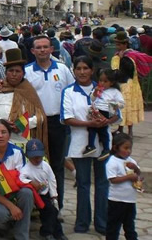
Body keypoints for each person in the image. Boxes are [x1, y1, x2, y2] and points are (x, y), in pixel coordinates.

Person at [61, 56, 119, 235]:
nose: (82, 72)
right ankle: (82, 222)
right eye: (78, 68)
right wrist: (90, 124)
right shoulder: (69, 91)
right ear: (74, 70)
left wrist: (106, 120)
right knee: (83, 183)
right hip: (80, 144)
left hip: (102, 143)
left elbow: (117, 114)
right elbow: (67, 118)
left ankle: (102, 222)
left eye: (86, 68)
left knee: (102, 183)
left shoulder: (104, 89)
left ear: (92, 70)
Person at [24, 36, 74, 215]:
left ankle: (57, 205)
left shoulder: (62, 69)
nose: (42, 50)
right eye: (39, 47)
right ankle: (39, 206)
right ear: (33, 51)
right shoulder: (27, 71)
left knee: (57, 165)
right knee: (35, 163)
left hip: (58, 123)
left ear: (51, 49)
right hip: (36, 124)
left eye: (46, 47)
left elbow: (71, 92)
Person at [0, 48, 49, 150]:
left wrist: (23, 124)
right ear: (6, 73)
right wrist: (2, 122)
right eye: (11, 71)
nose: (14, 74)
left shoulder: (29, 91)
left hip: (23, 142)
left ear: (23, 74)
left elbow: (40, 116)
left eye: (17, 71)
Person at [20, 139, 67, 240]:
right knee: (48, 211)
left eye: (39, 157)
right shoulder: (25, 169)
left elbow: (52, 178)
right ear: (28, 156)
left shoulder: (45, 165)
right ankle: (46, 232)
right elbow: (21, 179)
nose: (37, 159)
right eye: (34, 157)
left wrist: (54, 194)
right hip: (37, 195)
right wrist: (31, 183)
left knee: (54, 212)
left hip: (47, 193)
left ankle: (58, 233)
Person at [83, 69, 124, 160]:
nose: (102, 83)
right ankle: (91, 145)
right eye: (100, 80)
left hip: (106, 111)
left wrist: (115, 105)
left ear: (112, 82)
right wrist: (95, 93)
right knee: (92, 128)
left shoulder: (115, 92)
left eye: (105, 81)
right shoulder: (97, 89)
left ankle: (106, 149)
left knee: (103, 130)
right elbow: (92, 99)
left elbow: (122, 103)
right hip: (96, 111)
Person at [106, 133, 141, 240]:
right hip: (116, 200)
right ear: (116, 148)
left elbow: (139, 174)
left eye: (130, 148)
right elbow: (113, 179)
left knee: (130, 225)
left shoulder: (131, 161)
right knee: (113, 226)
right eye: (125, 148)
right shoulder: (112, 162)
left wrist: (135, 168)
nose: (128, 151)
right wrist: (129, 177)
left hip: (130, 200)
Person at [111, 31, 144, 137]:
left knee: (127, 107)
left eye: (119, 44)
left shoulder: (126, 56)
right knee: (124, 107)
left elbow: (127, 70)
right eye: (117, 44)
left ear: (125, 44)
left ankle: (129, 130)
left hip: (127, 85)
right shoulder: (130, 54)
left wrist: (121, 59)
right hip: (131, 84)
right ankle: (121, 128)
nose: (117, 46)